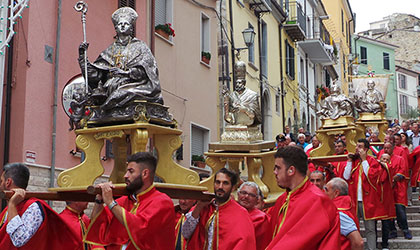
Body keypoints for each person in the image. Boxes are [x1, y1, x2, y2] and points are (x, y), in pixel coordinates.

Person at [84, 152, 175, 249]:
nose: (125, 176)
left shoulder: (162, 202)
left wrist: (111, 203)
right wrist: (99, 200)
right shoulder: (124, 201)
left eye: (131, 171)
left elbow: (140, 228)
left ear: (145, 174)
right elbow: (98, 225)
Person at [79, 7, 163, 110]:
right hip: (109, 87)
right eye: (120, 24)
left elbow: (148, 71)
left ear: (131, 29)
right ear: (116, 28)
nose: (122, 25)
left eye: (126, 24)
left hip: (134, 84)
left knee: (122, 92)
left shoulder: (141, 47)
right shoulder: (109, 50)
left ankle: (109, 105)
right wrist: (83, 57)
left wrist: (125, 73)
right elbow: (95, 75)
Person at [267, 146, 340, 249]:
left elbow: (295, 243)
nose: (274, 172)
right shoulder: (282, 199)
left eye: (278, 168)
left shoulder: (317, 202)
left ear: (291, 170)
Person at [0, 163, 79, 249]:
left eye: (1, 181)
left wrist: (12, 205)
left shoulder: (33, 207)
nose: (0, 185)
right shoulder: (10, 208)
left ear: (8, 182)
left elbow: (19, 239)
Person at [182, 168, 256, 249]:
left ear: (233, 188)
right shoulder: (203, 207)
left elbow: (244, 245)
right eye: (217, 182)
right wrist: (199, 207)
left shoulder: (241, 214)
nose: (220, 187)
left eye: (225, 183)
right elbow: (185, 233)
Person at [342, 139, 386, 250]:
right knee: (353, 228)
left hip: (368, 200)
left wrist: (364, 160)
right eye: (356, 146)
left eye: (360, 146)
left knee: (370, 229)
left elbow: (371, 176)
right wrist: (348, 161)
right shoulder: (354, 161)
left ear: (365, 149)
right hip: (354, 200)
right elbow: (346, 177)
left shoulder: (372, 161)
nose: (357, 148)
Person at [380, 143, 412, 240]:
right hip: (386, 190)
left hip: (398, 188)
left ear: (393, 148)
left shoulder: (399, 159)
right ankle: (392, 230)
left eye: (388, 148)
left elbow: (402, 172)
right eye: (384, 148)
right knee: (388, 212)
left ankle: (406, 230)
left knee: (400, 210)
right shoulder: (381, 159)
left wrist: (394, 179)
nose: (386, 150)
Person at [324, 178, 363, 250]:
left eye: (326, 190)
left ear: (336, 193)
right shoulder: (347, 204)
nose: (324, 193)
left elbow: (358, 242)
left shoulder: (339, 212)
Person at [223, 61, 262, 126]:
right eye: (236, 82)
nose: (237, 84)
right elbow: (229, 119)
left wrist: (244, 110)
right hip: (235, 129)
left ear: (244, 83)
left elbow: (256, 117)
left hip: (249, 130)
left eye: (240, 82)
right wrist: (226, 104)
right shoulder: (232, 96)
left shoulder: (252, 95)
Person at [237, 182, 270, 250]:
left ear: (257, 200)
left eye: (251, 195)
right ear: (238, 194)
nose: (246, 197)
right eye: (243, 193)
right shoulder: (230, 211)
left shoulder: (261, 218)